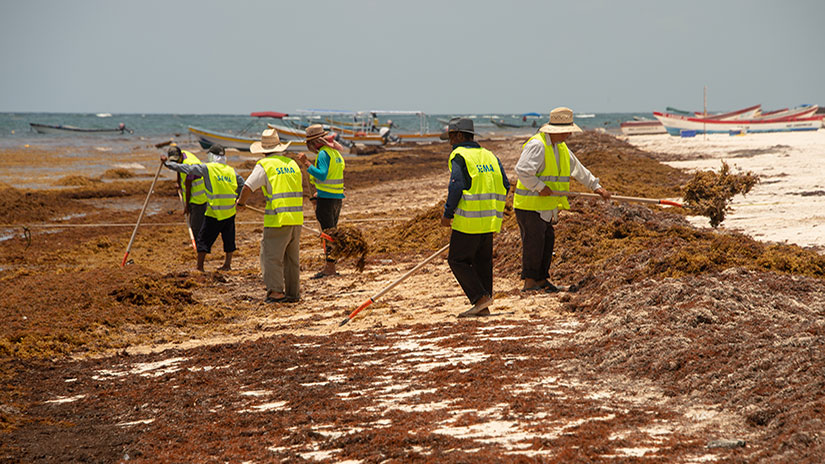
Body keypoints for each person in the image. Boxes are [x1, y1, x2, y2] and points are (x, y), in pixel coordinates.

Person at [514, 107, 611, 292]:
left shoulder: (561, 148)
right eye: (567, 130)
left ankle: (541, 279)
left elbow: (578, 169)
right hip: (529, 205)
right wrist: (540, 187)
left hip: (546, 205)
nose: (569, 134)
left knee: (547, 241)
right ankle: (530, 282)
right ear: (557, 130)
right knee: (533, 243)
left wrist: (596, 186)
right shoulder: (538, 145)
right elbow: (523, 171)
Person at [440, 118, 510, 318]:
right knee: (482, 261)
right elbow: (505, 184)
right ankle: (484, 302)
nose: (449, 141)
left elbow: (456, 186)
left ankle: (479, 297)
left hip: (469, 220)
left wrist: (447, 214)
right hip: (490, 219)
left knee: (457, 260)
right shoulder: (489, 155)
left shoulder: (459, 155)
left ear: (460, 136)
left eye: (451, 136)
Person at [235, 128, 303, 303]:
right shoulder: (292, 163)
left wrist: (241, 203)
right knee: (291, 258)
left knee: (271, 256)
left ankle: (276, 292)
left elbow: (247, 187)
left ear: (264, 150)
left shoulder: (265, 165)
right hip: (296, 217)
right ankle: (293, 293)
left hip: (277, 218)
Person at [161, 145, 245, 272]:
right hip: (230, 212)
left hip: (214, 212)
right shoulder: (231, 171)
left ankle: (200, 267)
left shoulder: (208, 168)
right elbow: (242, 184)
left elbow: (187, 169)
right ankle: (227, 265)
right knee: (229, 239)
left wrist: (167, 165)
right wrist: (239, 199)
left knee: (203, 239)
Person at [297, 124, 345, 279]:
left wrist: (307, 163)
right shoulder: (335, 153)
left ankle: (330, 267)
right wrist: (320, 191)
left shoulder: (324, 154)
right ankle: (330, 265)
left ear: (314, 143)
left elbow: (323, 175)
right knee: (332, 231)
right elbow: (333, 176)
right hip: (336, 197)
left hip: (327, 200)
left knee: (328, 234)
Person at [168, 145, 209, 248]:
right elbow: (178, 167)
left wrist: (186, 206)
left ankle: (200, 246)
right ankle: (199, 242)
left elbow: (188, 186)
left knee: (196, 225)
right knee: (194, 222)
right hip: (192, 195)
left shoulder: (190, 165)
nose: (176, 162)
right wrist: (178, 182)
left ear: (180, 155)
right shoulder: (182, 156)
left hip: (199, 197)